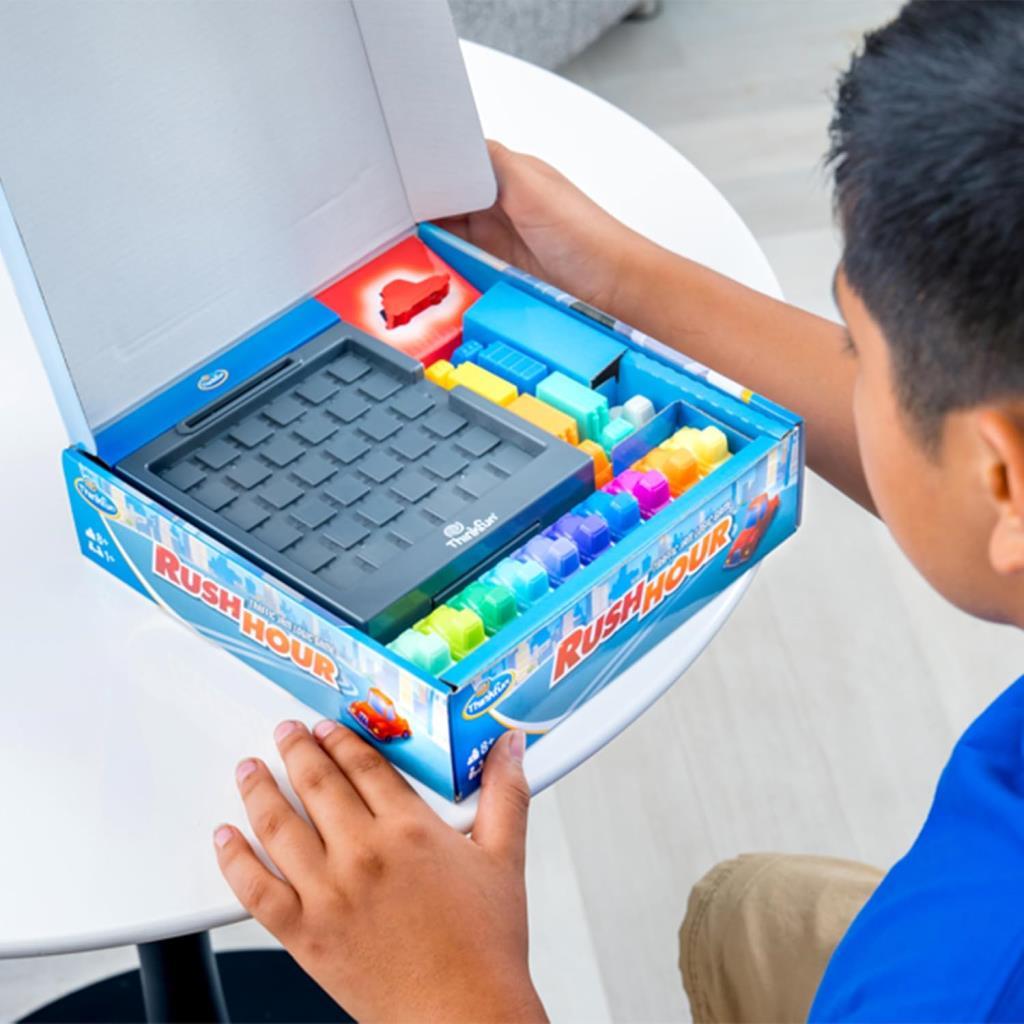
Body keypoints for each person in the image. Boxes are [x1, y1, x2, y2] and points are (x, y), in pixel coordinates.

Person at [213, 2, 1024, 1019]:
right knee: (747, 913)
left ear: (1002, 478)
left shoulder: (958, 979)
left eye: (858, 350)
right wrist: (618, 276)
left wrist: (454, 990)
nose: (848, 371)